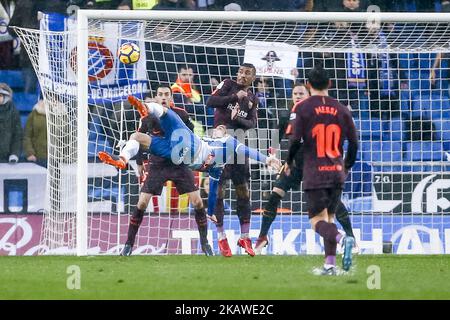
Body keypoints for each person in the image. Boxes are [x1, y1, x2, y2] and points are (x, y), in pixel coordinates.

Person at [98, 96, 281, 241]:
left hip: (190, 145)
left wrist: (267, 160)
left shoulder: (228, 142)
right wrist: (211, 213)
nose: (218, 129)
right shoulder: (216, 167)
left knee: (170, 115)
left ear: (225, 133)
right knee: (137, 137)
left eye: (221, 129)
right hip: (173, 152)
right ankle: (122, 158)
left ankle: (147, 108)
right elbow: (213, 193)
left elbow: (247, 150)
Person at [254, 83, 357, 255]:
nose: (298, 96)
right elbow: (276, 139)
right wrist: (273, 156)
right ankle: (263, 236)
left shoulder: (314, 114)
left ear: (308, 95)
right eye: (295, 93)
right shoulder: (286, 116)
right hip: (293, 167)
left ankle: (351, 239)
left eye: (301, 93)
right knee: (274, 195)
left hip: (314, 166)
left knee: (334, 204)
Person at [119, 84, 214, 256]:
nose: (163, 97)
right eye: (160, 94)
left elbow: (192, 139)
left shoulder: (182, 115)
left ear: (171, 98)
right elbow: (138, 139)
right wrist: (140, 163)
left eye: (166, 94)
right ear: (156, 98)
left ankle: (205, 244)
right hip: (158, 163)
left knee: (198, 202)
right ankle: (128, 245)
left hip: (179, 163)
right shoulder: (147, 117)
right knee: (141, 203)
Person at [288, 66, 358, 275]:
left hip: (315, 171)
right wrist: (346, 166)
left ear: (308, 85)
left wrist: (289, 161)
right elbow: (354, 143)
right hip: (336, 171)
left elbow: (294, 140)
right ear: (330, 84)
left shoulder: (302, 108)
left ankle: (343, 238)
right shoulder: (342, 109)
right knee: (330, 218)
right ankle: (329, 265)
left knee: (317, 221)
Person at [206, 63, 258, 257]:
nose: (242, 76)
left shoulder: (253, 98)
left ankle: (245, 237)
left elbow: (252, 123)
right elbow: (210, 102)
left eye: (247, 74)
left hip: (239, 148)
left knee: (243, 191)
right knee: (219, 190)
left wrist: (238, 119)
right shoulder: (227, 84)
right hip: (220, 145)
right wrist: (235, 97)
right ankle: (221, 237)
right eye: (241, 72)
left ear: (253, 78)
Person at [0, 83, 22, 163]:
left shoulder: (13, 112)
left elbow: (17, 135)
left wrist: (14, 154)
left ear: (5, 97)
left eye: (0, 96)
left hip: (7, 157)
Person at [23, 99, 47, 167]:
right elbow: (27, 135)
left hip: (58, 159)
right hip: (38, 158)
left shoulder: (62, 114)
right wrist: (30, 153)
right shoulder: (34, 114)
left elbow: (67, 137)